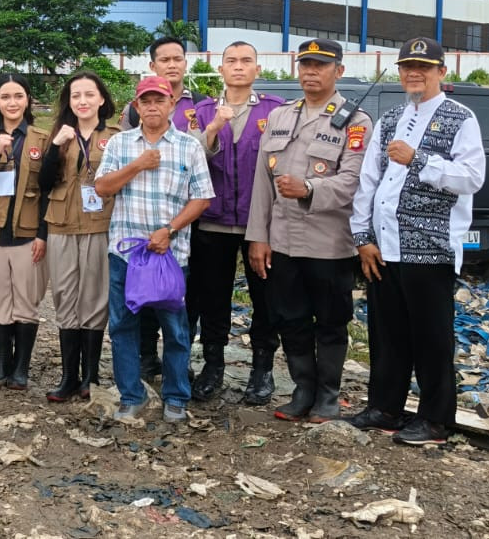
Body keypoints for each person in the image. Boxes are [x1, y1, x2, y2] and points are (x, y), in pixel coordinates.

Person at [347, 37, 486, 446]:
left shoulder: (460, 118)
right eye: (408, 66)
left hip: (430, 246)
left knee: (431, 336)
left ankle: (435, 419)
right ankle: (385, 407)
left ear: (441, 71)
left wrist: (420, 160)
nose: (414, 73)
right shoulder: (389, 118)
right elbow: (368, 181)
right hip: (384, 246)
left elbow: (472, 177)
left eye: (423, 67)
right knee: (387, 333)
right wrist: (362, 236)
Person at [244, 39, 372, 424]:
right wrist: (258, 237)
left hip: (328, 244)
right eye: (305, 65)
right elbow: (262, 183)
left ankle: (328, 396)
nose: (311, 72)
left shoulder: (356, 121)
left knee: (331, 321)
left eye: (320, 65)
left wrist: (311, 189)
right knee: (290, 318)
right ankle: (303, 391)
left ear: (338, 72)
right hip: (282, 241)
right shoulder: (282, 116)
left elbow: (353, 181)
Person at [94, 76, 214, 423]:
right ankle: (132, 395)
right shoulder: (119, 144)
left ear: (171, 104)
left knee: (175, 329)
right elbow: (102, 187)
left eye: (158, 100)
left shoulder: (189, 147)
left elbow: (202, 197)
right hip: (125, 254)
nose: (152, 107)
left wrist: (170, 230)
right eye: (145, 101)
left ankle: (175, 396)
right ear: (136, 106)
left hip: (169, 255)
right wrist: (137, 165)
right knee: (122, 326)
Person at [189, 42, 287, 404]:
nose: (239, 67)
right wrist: (213, 128)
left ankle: (261, 370)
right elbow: (189, 158)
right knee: (212, 298)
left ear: (258, 69)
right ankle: (212, 366)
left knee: (265, 298)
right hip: (213, 222)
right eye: (231, 61)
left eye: (247, 60)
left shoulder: (275, 111)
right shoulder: (200, 111)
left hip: (258, 224)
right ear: (221, 70)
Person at [124, 37, 213, 381]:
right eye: (165, 59)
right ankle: (147, 357)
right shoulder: (134, 110)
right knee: (145, 292)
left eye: (178, 58)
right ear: (153, 65)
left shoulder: (203, 105)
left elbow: (208, 159)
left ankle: (182, 362)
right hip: (143, 221)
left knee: (183, 295)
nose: (172, 64)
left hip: (190, 216)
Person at [36, 72, 118, 402]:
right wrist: (56, 147)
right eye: (75, 95)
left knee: (95, 297)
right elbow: (43, 182)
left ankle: (91, 377)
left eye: (88, 94)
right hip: (61, 223)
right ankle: (69, 377)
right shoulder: (59, 135)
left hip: (100, 223)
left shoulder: (115, 136)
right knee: (66, 295)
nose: (82, 101)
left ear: (101, 99)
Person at [0, 74, 49, 392]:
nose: (12, 102)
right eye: (5, 97)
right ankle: (2, 366)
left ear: (27, 100)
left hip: (29, 232)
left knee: (26, 301)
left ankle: (21, 369)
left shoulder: (42, 140)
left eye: (18, 96)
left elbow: (49, 191)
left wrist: (44, 233)